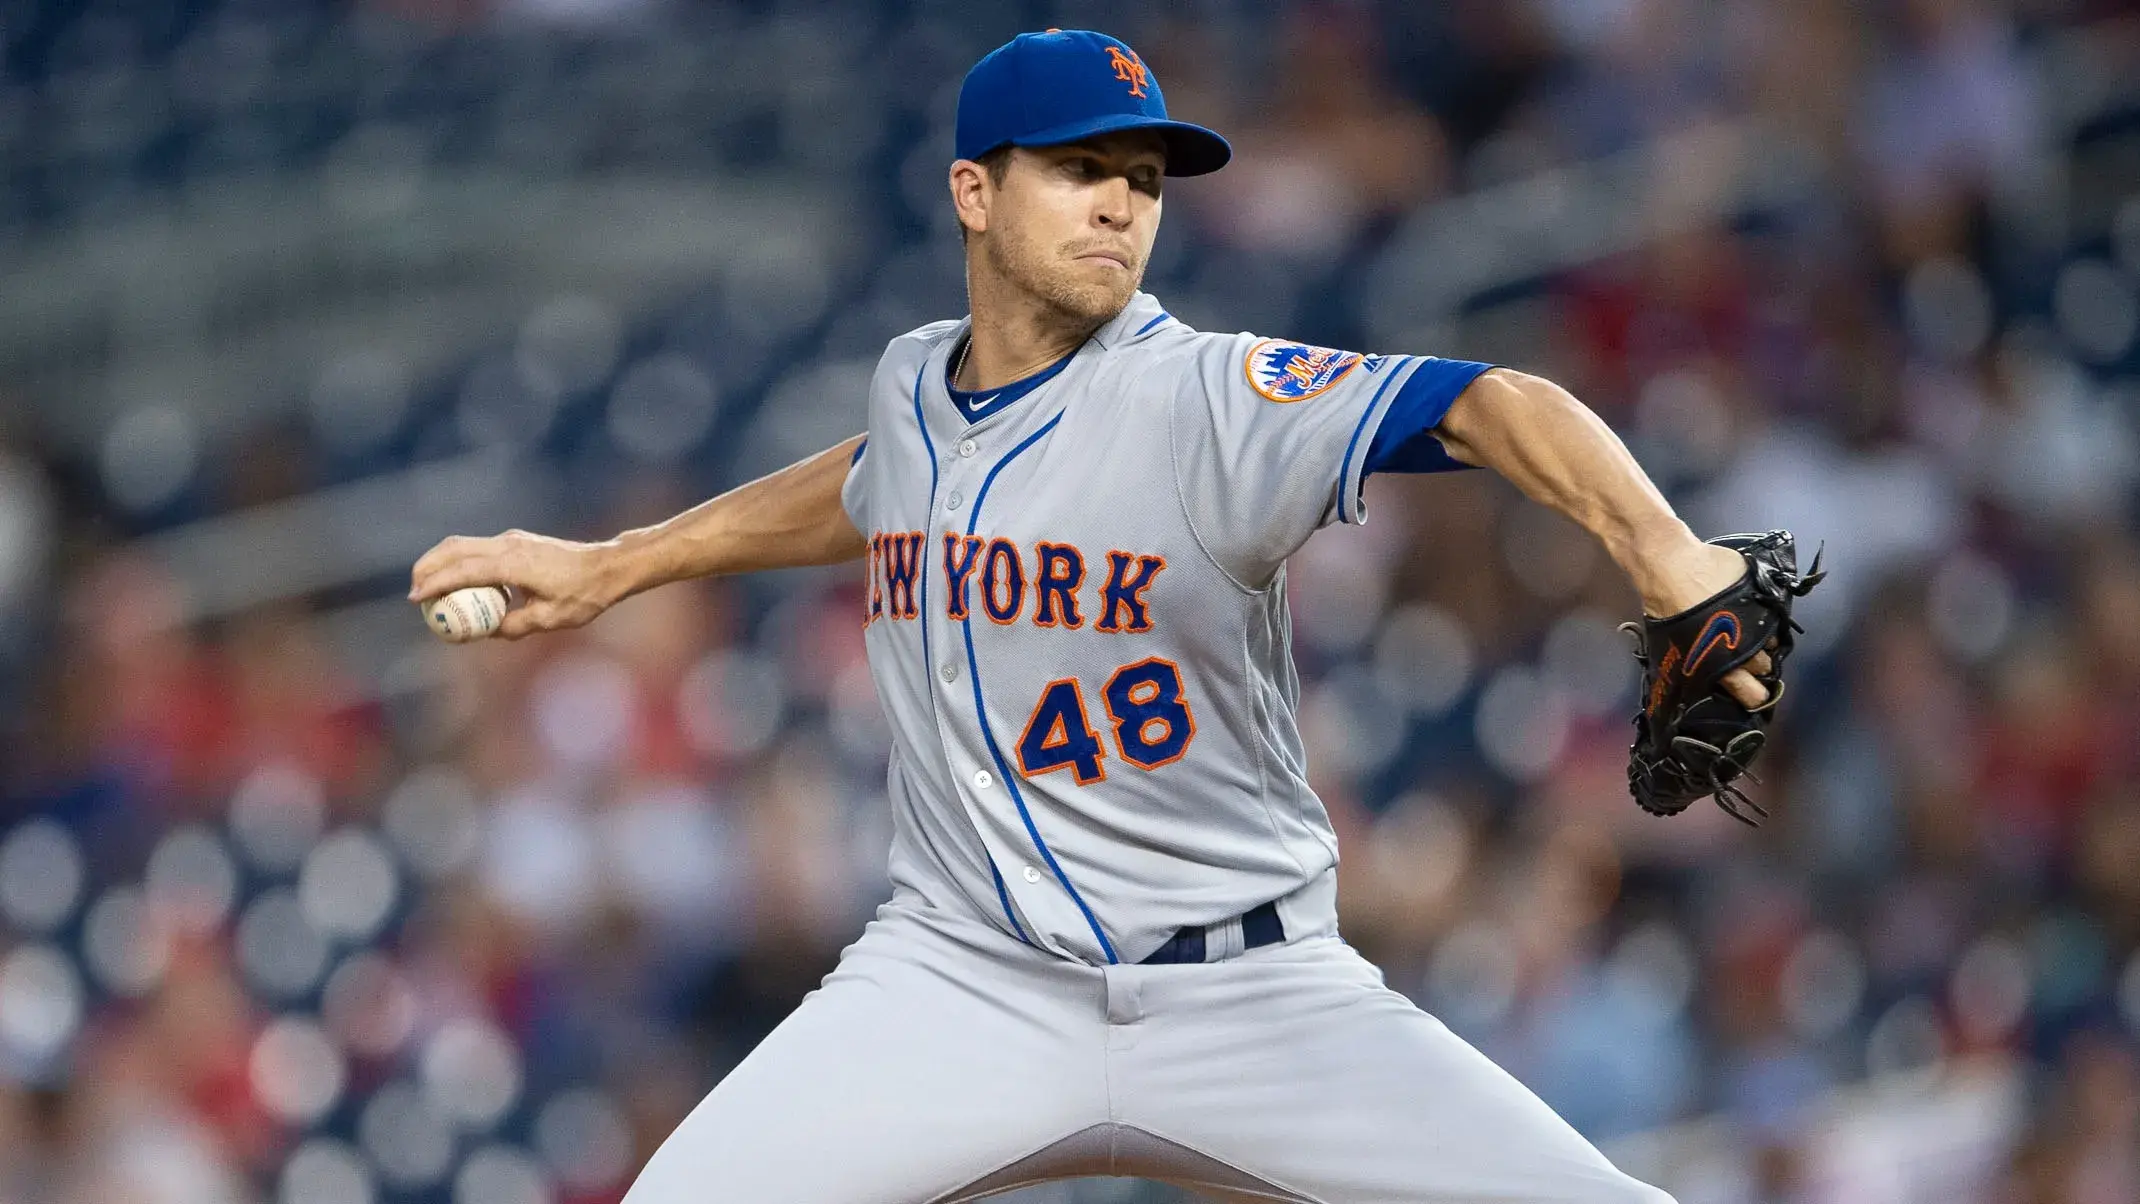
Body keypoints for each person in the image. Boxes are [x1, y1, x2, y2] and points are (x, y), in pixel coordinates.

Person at [412, 28, 1768, 1204]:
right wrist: (616, 566)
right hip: (959, 987)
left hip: (1251, 995)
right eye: (1079, 172)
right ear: (974, 193)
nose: (1122, 207)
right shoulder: (908, 388)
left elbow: (1488, 403)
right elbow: (876, 487)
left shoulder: (1211, 398)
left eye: (1141, 182)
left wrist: (1661, 550)